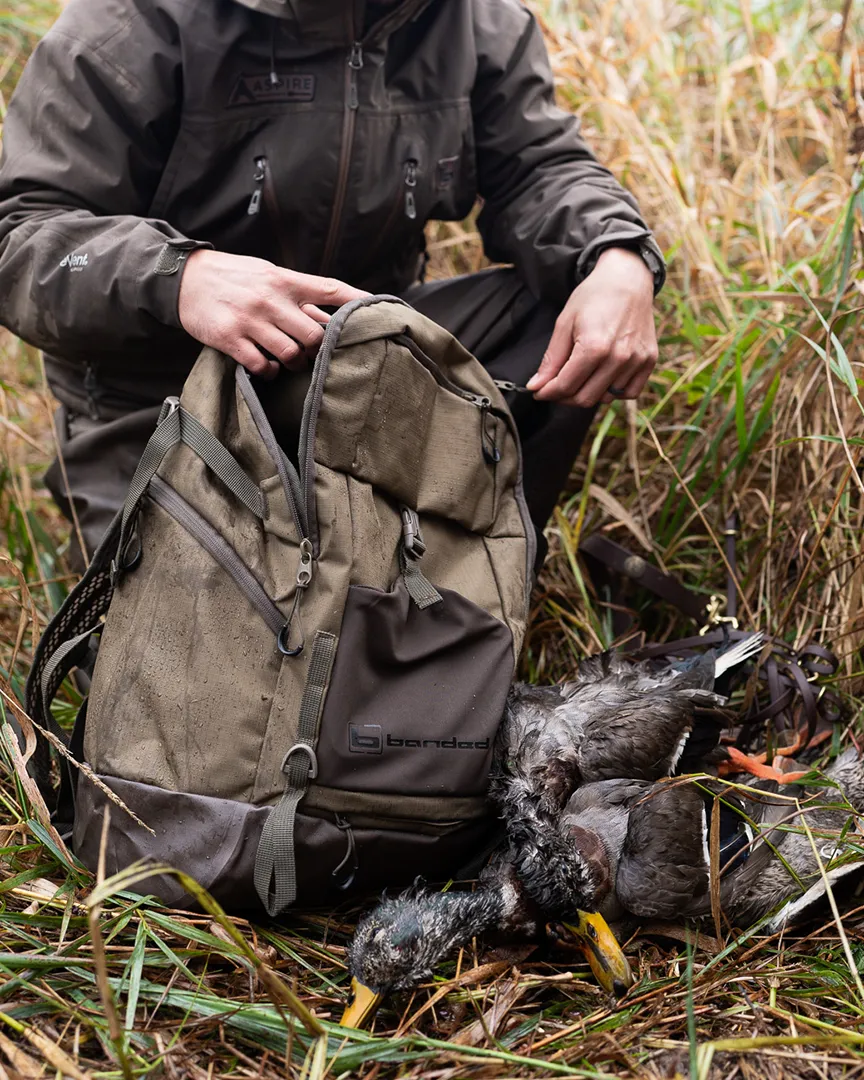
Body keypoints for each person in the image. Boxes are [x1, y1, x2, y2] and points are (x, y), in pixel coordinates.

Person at [0, 0, 664, 565]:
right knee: (194, 697)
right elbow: (19, 234)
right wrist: (182, 278)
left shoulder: (471, 20)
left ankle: (471, 578)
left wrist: (618, 256)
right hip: (162, 403)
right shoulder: (133, 22)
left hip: (367, 365)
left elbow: (540, 169)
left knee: (569, 305)